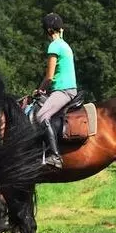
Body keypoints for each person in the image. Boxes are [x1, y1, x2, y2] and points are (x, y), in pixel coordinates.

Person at [34, 13, 77, 169]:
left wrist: (39, 90)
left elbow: (49, 77)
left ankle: (54, 155)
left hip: (63, 90)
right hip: (65, 89)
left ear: (48, 30)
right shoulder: (65, 45)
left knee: (41, 116)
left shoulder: (54, 46)